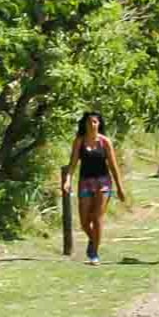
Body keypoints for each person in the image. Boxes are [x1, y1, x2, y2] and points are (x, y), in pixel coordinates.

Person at [61, 111, 127, 265]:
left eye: (95, 122)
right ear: (84, 124)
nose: (92, 124)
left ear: (99, 124)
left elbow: (113, 166)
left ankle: (94, 254)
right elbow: (72, 165)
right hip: (85, 182)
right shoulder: (79, 141)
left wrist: (120, 187)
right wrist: (67, 181)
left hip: (103, 182)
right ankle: (93, 239)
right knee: (85, 221)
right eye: (89, 122)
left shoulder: (105, 142)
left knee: (97, 218)